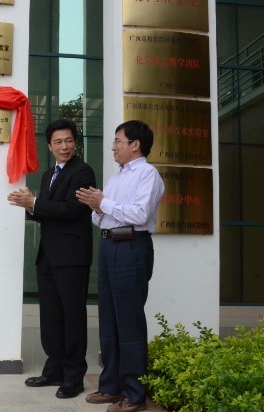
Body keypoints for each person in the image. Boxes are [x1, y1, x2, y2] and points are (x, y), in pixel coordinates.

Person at [76, 120, 164, 412]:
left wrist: (103, 203)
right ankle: (111, 386)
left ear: (135, 145)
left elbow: (139, 215)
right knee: (109, 320)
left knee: (129, 321)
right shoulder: (116, 177)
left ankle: (134, 395)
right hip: (109, 246)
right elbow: (102, 218)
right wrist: (96, 207)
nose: (113, 147)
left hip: (131, 248)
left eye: (118, 141)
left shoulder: (148, 174)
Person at [8, 119, 96, 399]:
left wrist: (35, 203)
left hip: (72, 257)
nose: (64, 146)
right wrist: (30, 205)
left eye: (68, 140)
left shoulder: (83, 172)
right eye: (58, 142)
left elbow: (71, 210)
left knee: (72, 317)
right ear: (49, 146)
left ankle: (74, 376)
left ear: (75, 142)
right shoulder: (48, 175)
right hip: (48, 256)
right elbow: (48, 212)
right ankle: (54, 369)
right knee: (51, 317)